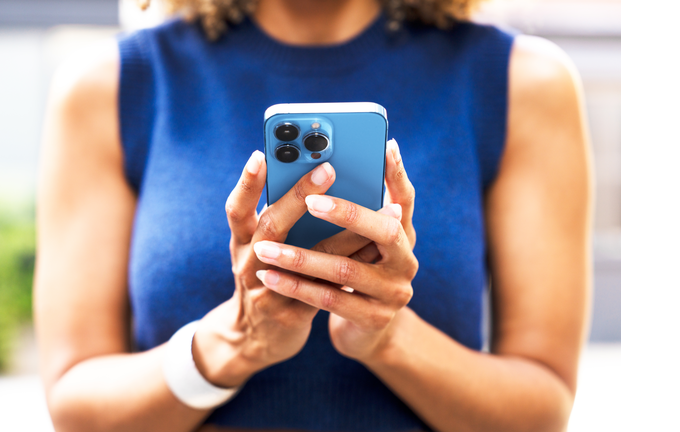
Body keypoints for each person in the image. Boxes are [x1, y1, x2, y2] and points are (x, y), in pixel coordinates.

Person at [34, 0, 592, 431]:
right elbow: (77, 407)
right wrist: (235, 341)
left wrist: (389, 337)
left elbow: (540, 410)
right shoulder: (112, 86)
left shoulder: (522, 82)